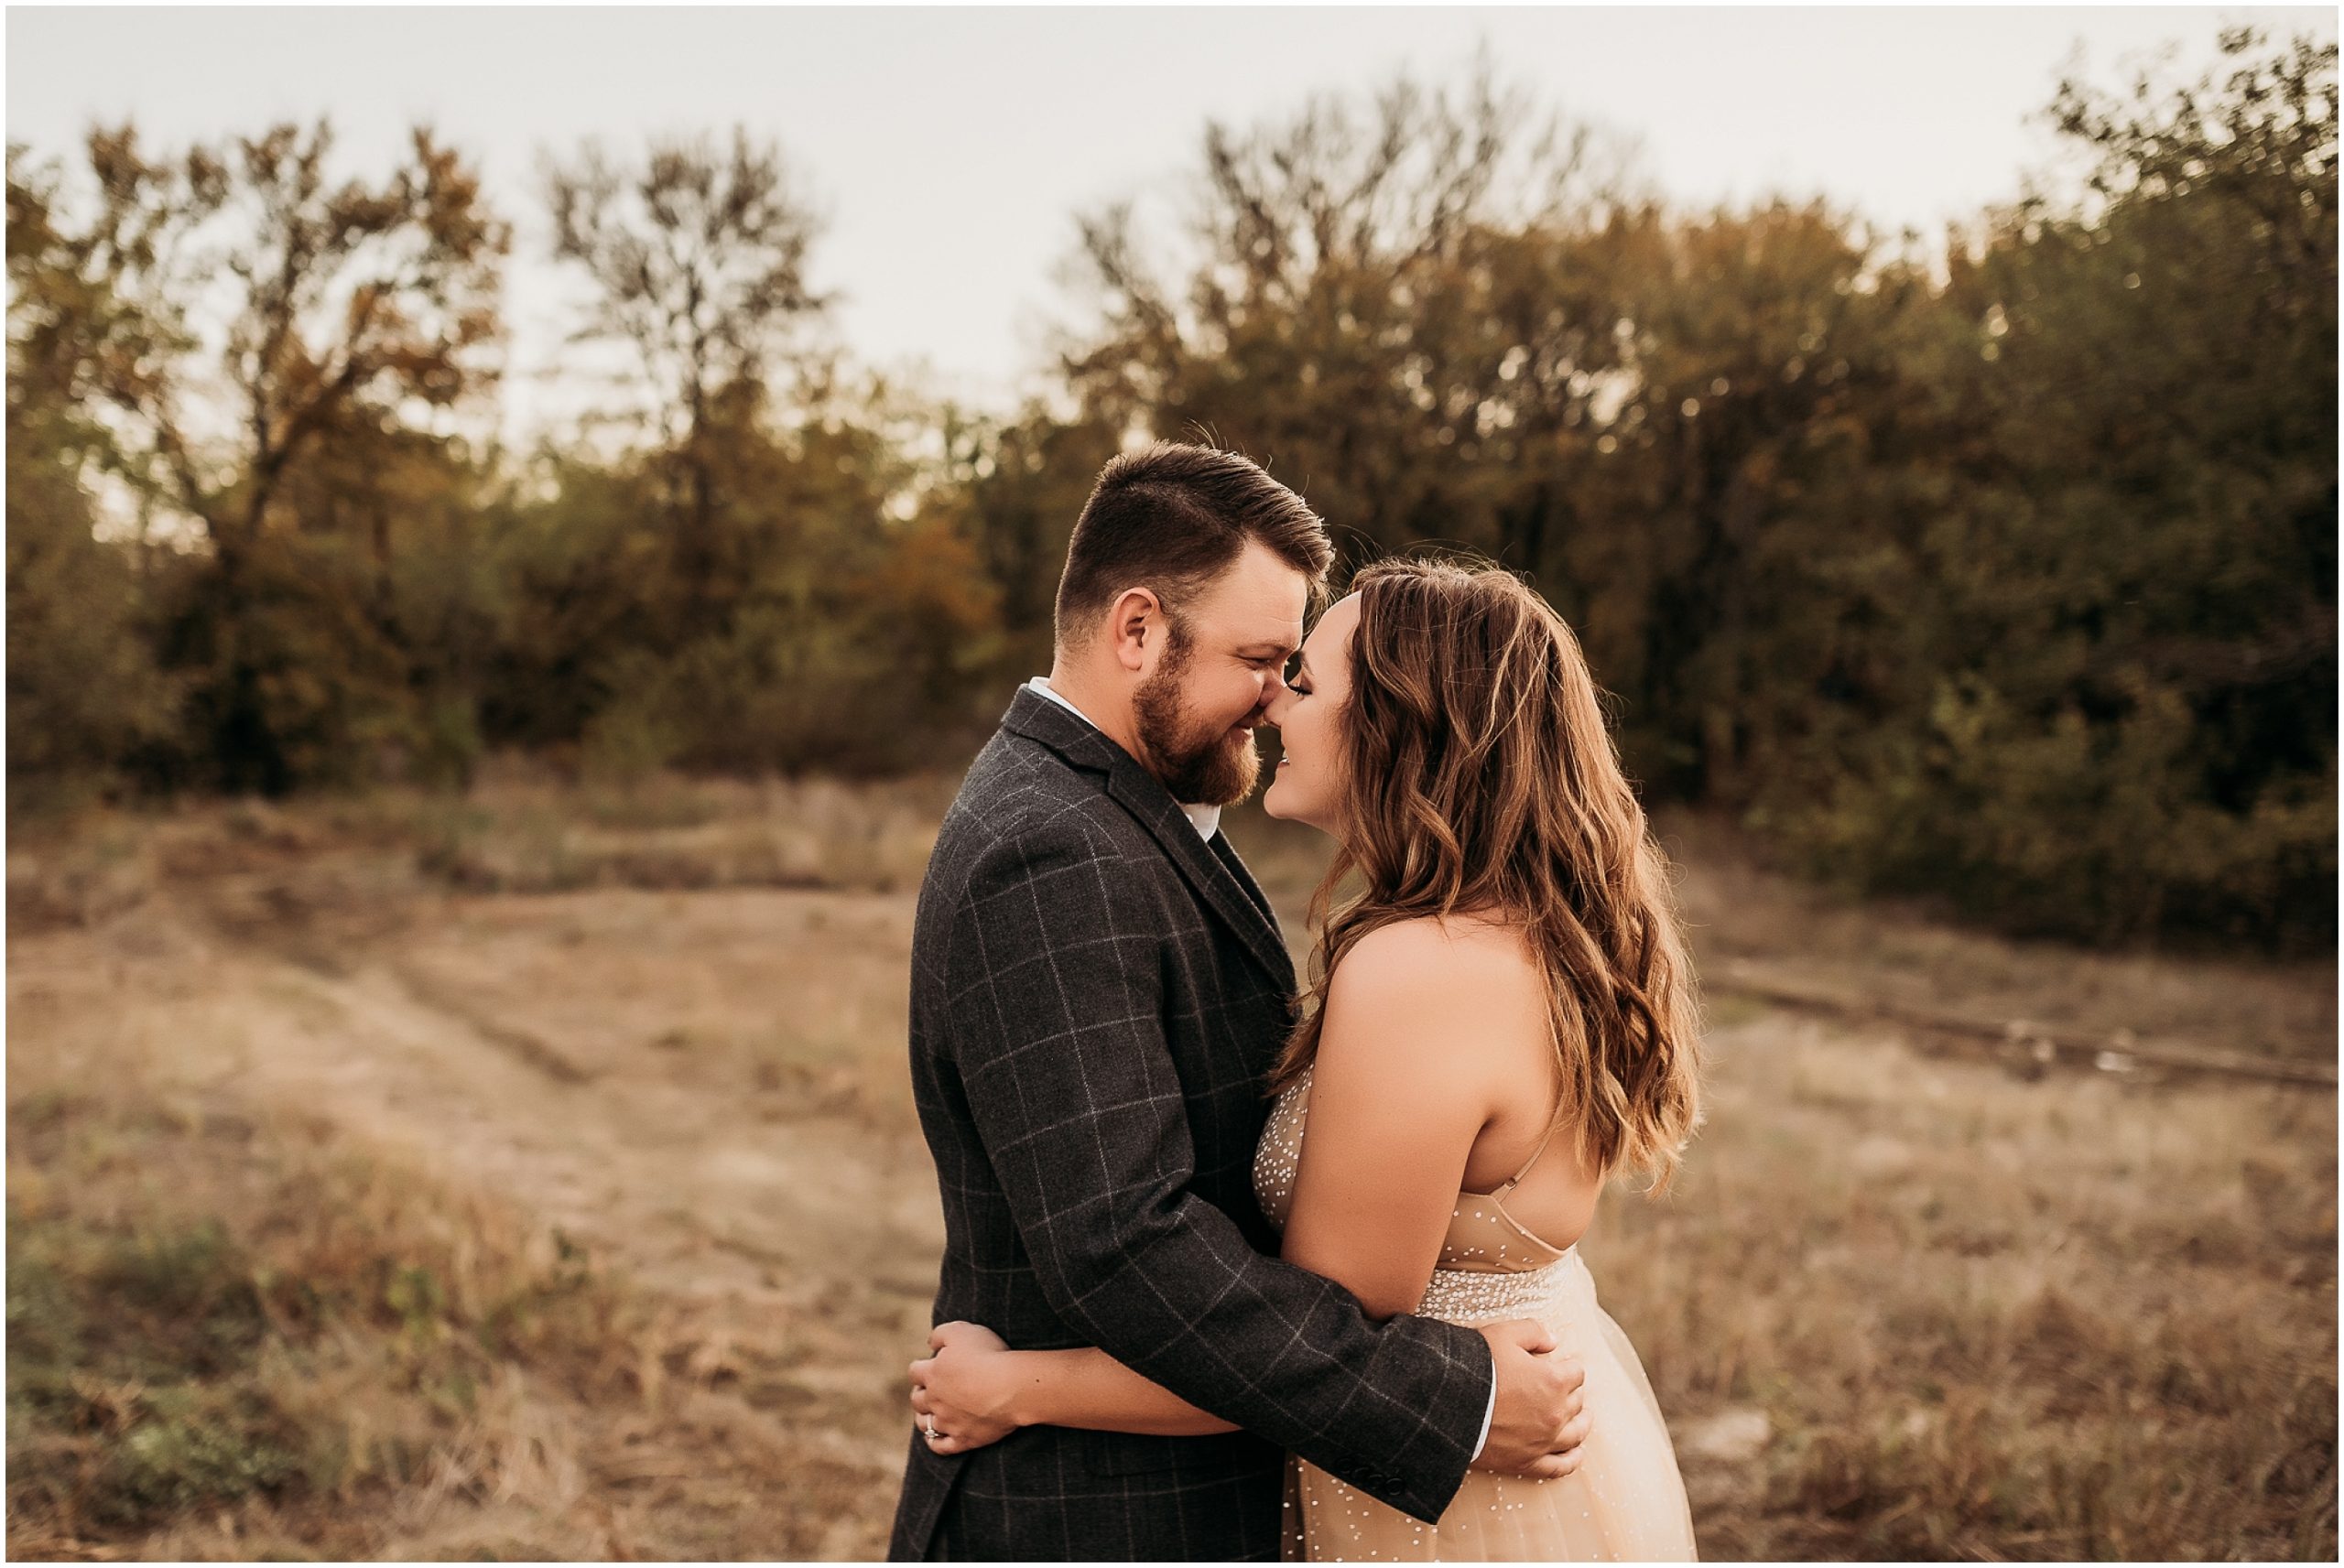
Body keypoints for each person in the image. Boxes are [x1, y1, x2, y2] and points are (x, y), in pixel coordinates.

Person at [910, 555, 1708, 1562]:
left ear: (1403, 724)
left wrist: (1016, 1388)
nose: (1276, 706)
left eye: (1307, 680)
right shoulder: (1531, 932)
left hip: (1450, 1512)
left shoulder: (1423, 971)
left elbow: (1318, 1344)